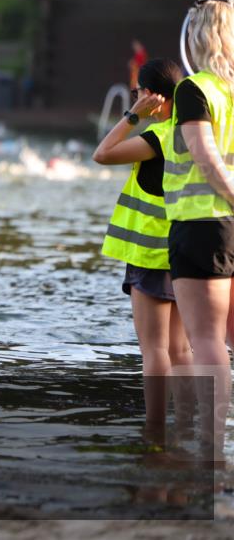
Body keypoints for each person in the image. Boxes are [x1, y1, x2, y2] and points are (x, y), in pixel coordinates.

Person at [93, 59, 193, 424]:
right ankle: (188, 427)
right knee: (181, 349)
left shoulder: (156, 138)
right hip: (185, 250)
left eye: (137, 93)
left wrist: (133, 116)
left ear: (152, 96)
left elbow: (102, 153)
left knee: (154, 350)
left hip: (151, 255)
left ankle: (155, 433)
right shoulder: (193, 133)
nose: (134, 99)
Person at [161, 0, 234, 457]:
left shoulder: (196, 90)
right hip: (227, 226)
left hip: (202, 224)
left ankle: (211, 447)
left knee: (206, 342)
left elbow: (205, 158)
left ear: (197, 35)